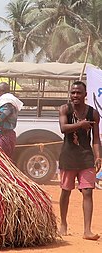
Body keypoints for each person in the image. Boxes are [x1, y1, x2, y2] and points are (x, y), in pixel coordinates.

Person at [58, 81, 100, 240]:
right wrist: (80, 124)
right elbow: (63, 128)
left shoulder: (93, 113)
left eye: (79, 93)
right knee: (66, 191)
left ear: (85, 94)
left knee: (88, 192)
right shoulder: (65, 109)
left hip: (86, 157)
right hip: (68, 155)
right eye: (73, 93)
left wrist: (98, 156)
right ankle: (63, 223)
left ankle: (87, 230)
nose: (75, 96)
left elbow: (96, 139)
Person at [0, 82, 23, 158]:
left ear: (2, 92)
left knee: (1, 160)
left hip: (4, 136)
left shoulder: (8, 103)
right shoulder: (2, 103)